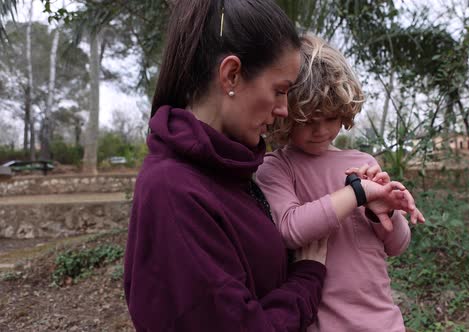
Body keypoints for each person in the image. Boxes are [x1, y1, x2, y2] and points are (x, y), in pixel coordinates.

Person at [123, 1, 407, 331]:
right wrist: (306, 280)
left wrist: (380, 209)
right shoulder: (174, 191)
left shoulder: (229, 171)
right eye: (280, 91)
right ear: (231, 75)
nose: (285, 110)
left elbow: (394, 242)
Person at [256, 34, 426, 332]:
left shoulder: (364, 163)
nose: (321, 130)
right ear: (285, 115)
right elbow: (290, 229)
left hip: (383, 322)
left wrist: (379, 211)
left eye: (331, 117)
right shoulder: (278, 167)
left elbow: (397, 245)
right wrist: (357, 193)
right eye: (307, 120)